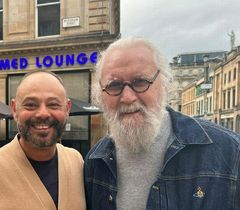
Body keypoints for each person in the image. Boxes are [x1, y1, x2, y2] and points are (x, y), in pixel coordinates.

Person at [84, 37, 240, 210]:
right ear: (101, 94)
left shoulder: (230, 153)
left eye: (140, 82)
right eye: (114, 85)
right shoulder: (95, 162)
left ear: (164, 84)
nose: (127, 97)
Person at [0, 71, 86, 210]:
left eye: (53, 105)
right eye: (31, 105)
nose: (43, 113)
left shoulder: (76, 161)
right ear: (15, 109)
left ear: (67, 109)